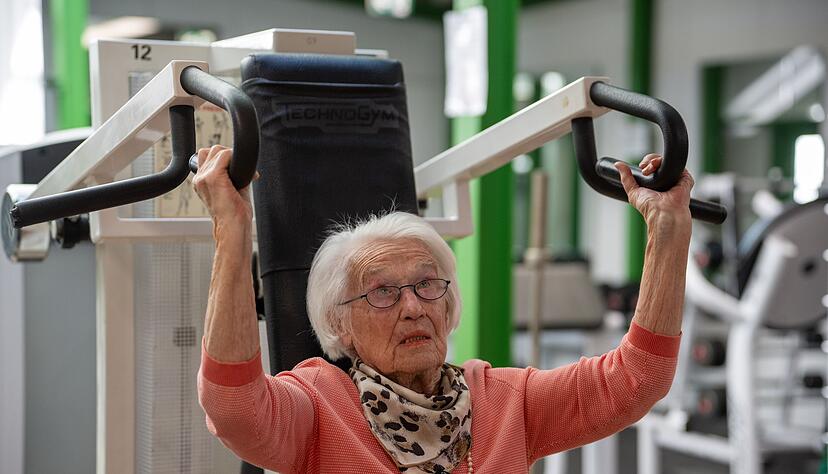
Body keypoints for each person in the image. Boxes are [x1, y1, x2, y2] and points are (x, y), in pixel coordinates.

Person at [194, 144, 692, 473]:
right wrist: (232, 230)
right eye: (382, 293)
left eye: (427, 286)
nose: (413, 307)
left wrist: (667, 232)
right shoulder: (319, 408)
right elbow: (235, 408)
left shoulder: (505, 403)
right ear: (340, 326)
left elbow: (638, 379)